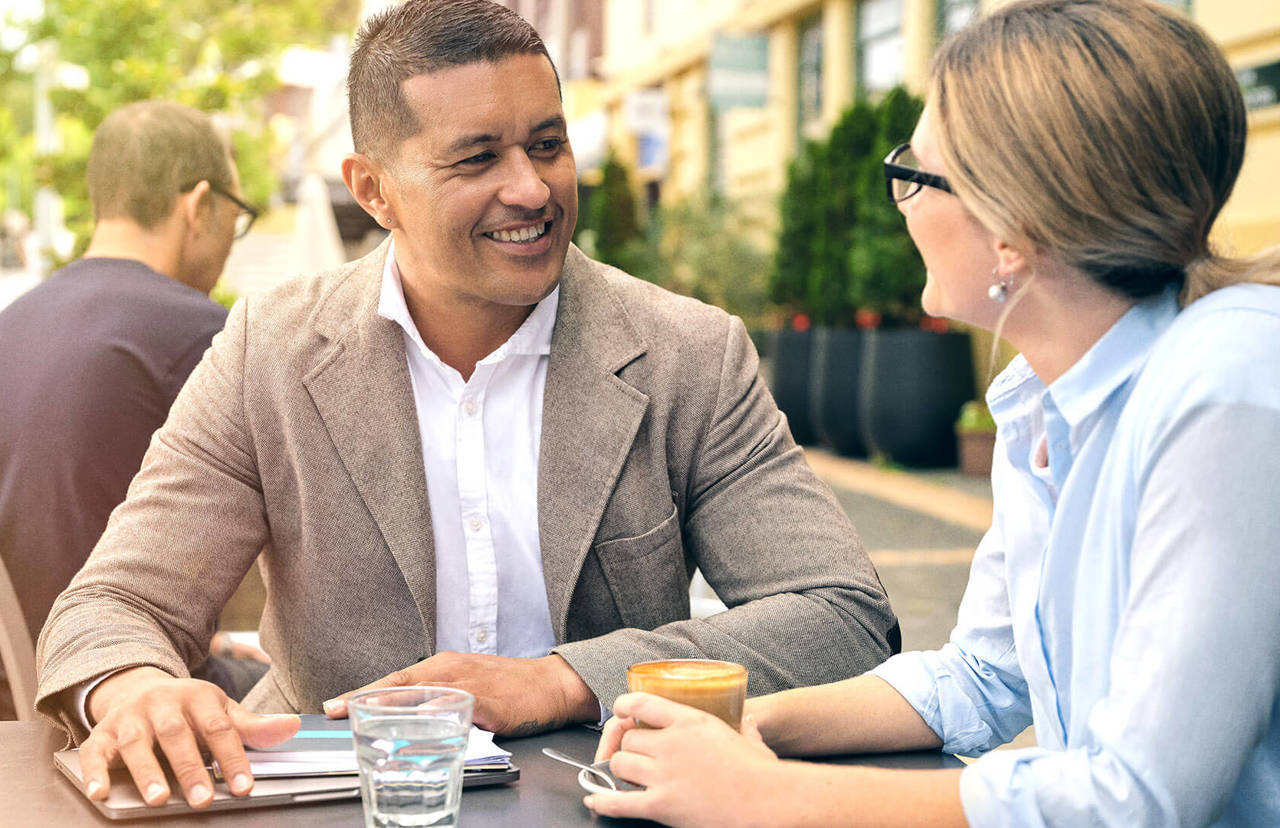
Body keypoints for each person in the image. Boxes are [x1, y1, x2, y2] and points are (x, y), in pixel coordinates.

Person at [34, 0, 900, 811]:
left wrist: (561, 679)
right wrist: (136, 689)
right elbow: (112, 605)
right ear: (373, 191)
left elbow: (841, 614)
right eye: (478, 157)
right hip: (340, 802)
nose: (531, 189)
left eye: (548, 144)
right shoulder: (272, 347)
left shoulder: (687, 354)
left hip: (606, 797)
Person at [589, 1, 1280, 825]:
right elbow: (982, 677)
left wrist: (766, 794)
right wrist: (748, 728)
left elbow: (1139, 796)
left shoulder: (1230, 383)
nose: (900, 203)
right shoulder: (1048, 404)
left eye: (914, 175)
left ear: (1014, 231)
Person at [0, 101, 269, 721]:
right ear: (199, 206)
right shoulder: (204, 334)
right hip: (123, 696)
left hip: (23, 691)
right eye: (238, 213)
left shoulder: (12, 325)